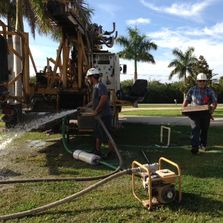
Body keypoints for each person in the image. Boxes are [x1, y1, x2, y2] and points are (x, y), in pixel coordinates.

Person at [182, 73, 217, 154]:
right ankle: (195, 148)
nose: (201, 82)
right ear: (197, 81)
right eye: (200, 81)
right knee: (195, 129)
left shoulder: (210, 90)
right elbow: (187, 100)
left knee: (204, 130)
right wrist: (183, 109)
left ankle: (203, 145)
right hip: (193, 113)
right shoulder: (192, 89)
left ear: (206, 82)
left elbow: (214, 102)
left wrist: (211, 110)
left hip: (205, 113)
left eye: (203, 81)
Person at [85, 67, 114, 157]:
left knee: (107, 134)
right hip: (100, 116)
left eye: (88, 78)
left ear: (92, 77)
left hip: (104, 115)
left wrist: (96, 111)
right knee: (98, 134)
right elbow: (95, 101)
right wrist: (85, 106)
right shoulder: (96, 87)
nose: (88, 80)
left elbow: (104, 99)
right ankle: (97, 150)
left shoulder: (100, 86)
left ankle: (111, 153)